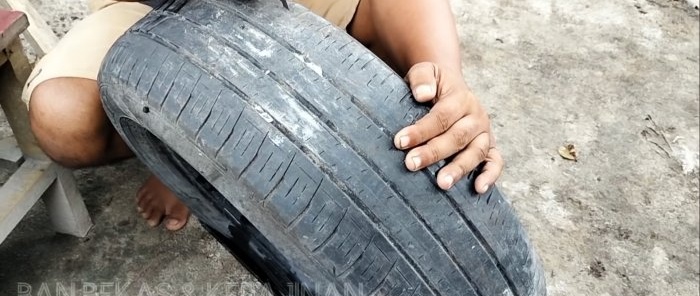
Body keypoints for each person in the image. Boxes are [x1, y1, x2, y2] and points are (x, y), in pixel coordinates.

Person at [23, 0, 504, 231]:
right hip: (152, 11)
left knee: (420, 63)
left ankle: (415, 86)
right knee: (63, 118)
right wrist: (182, 149)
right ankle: (180, 139)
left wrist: (447, 82)